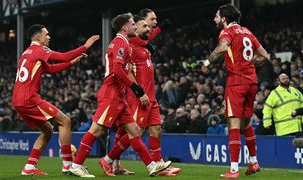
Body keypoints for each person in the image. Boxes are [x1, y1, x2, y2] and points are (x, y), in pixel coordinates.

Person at [68, 13, 171, 178]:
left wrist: (134, 86)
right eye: (133, 24)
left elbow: (127, 68)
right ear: (125, 27)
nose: (135, 26)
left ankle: (152, 166)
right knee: (96, 130)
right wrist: (136, 88)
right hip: (112, 94)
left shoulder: (125, 44)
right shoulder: (119, 44)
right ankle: (76, 165)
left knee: (135, 131)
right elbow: (117, 70)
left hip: (120, 96)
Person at [12, 24, 99, 176]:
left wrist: (72, 63)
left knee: (47, 131)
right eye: (46, 34)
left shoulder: (27, 53)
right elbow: (64, 56)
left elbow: (50, 69)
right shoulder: (40, 49)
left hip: (18, 99)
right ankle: (68, 164)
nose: (49, 37)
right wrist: (85, 46)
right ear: (38, 37)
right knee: (65, 121)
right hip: (29, 98)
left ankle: (30, 167)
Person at [102, 12, 180, 176]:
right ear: (134, 27)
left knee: (156, 128)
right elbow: (126, 70)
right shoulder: (131, 46)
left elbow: (147, 39)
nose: (149, 27)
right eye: (146, 23)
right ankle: (109, 159)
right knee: (134, 132)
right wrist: (138, 91)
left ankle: (158, 164)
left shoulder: (143, 46)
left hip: (151, 96)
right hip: (140, 97)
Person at [201, 4, 269, 179]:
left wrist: (207, 63)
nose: (215, 19)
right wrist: (248, 66)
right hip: (251, 82)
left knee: (233, 125)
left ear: (224, 18)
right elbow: (265, 55)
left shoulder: (226, 32)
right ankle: (253, 162)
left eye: (216, 16)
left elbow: (223, 48)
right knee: (246, 124)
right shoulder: (247, 31)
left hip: (236, 83)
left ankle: (233, 169)